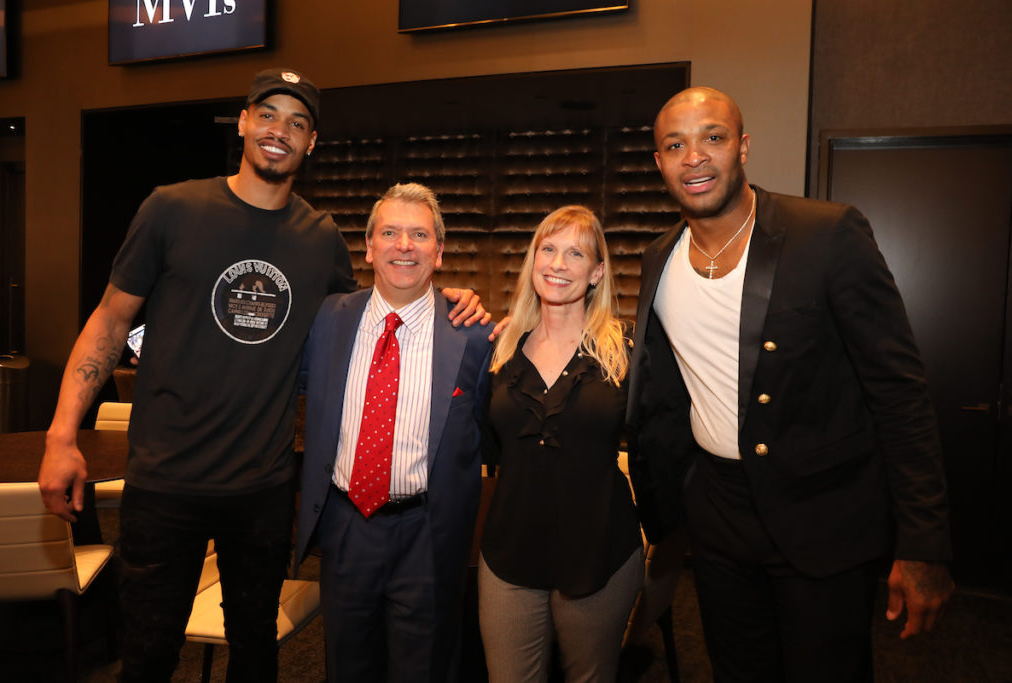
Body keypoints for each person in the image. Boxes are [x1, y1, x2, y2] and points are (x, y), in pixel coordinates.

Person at [37, 69, 485, 682]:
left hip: (263, 490)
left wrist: (445, 299)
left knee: (256, 655)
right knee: (147, 656)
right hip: (165, 481)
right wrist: (61, 435)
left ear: (312, 142)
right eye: (268, 114)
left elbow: (367, 318)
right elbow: (110, 321)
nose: (280, 130)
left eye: (297, 122)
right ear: (244, 122)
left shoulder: (319, 238)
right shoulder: (171, 208)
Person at [625, 87, 954, 682]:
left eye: (712, 137)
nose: (694, 157)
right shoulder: (659, 258)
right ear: (659, 162)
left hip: (823, 516)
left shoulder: (826, 234)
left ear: (743, 146)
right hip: (718, 517)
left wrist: (923, 542)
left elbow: (900, 394)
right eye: (675, 145)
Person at [295, 182, 494, 683]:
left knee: (424, 669)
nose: (404, 245)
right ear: (369, 247)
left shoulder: (474, 335)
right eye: (389, 233)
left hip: (428, 534)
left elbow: (491, 433)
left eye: (419, 235)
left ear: (439, 252)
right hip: (345, 527)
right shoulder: (326, 318)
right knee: (347, 666)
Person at [477, 206, 643, 683]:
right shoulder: (500, 348)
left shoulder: (626, 350)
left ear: (597, 272)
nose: (557, 263)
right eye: (547, 249)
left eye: (575, 254)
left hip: (599, 551)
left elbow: (659, 444)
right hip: (509, 552)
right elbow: (488, 446)